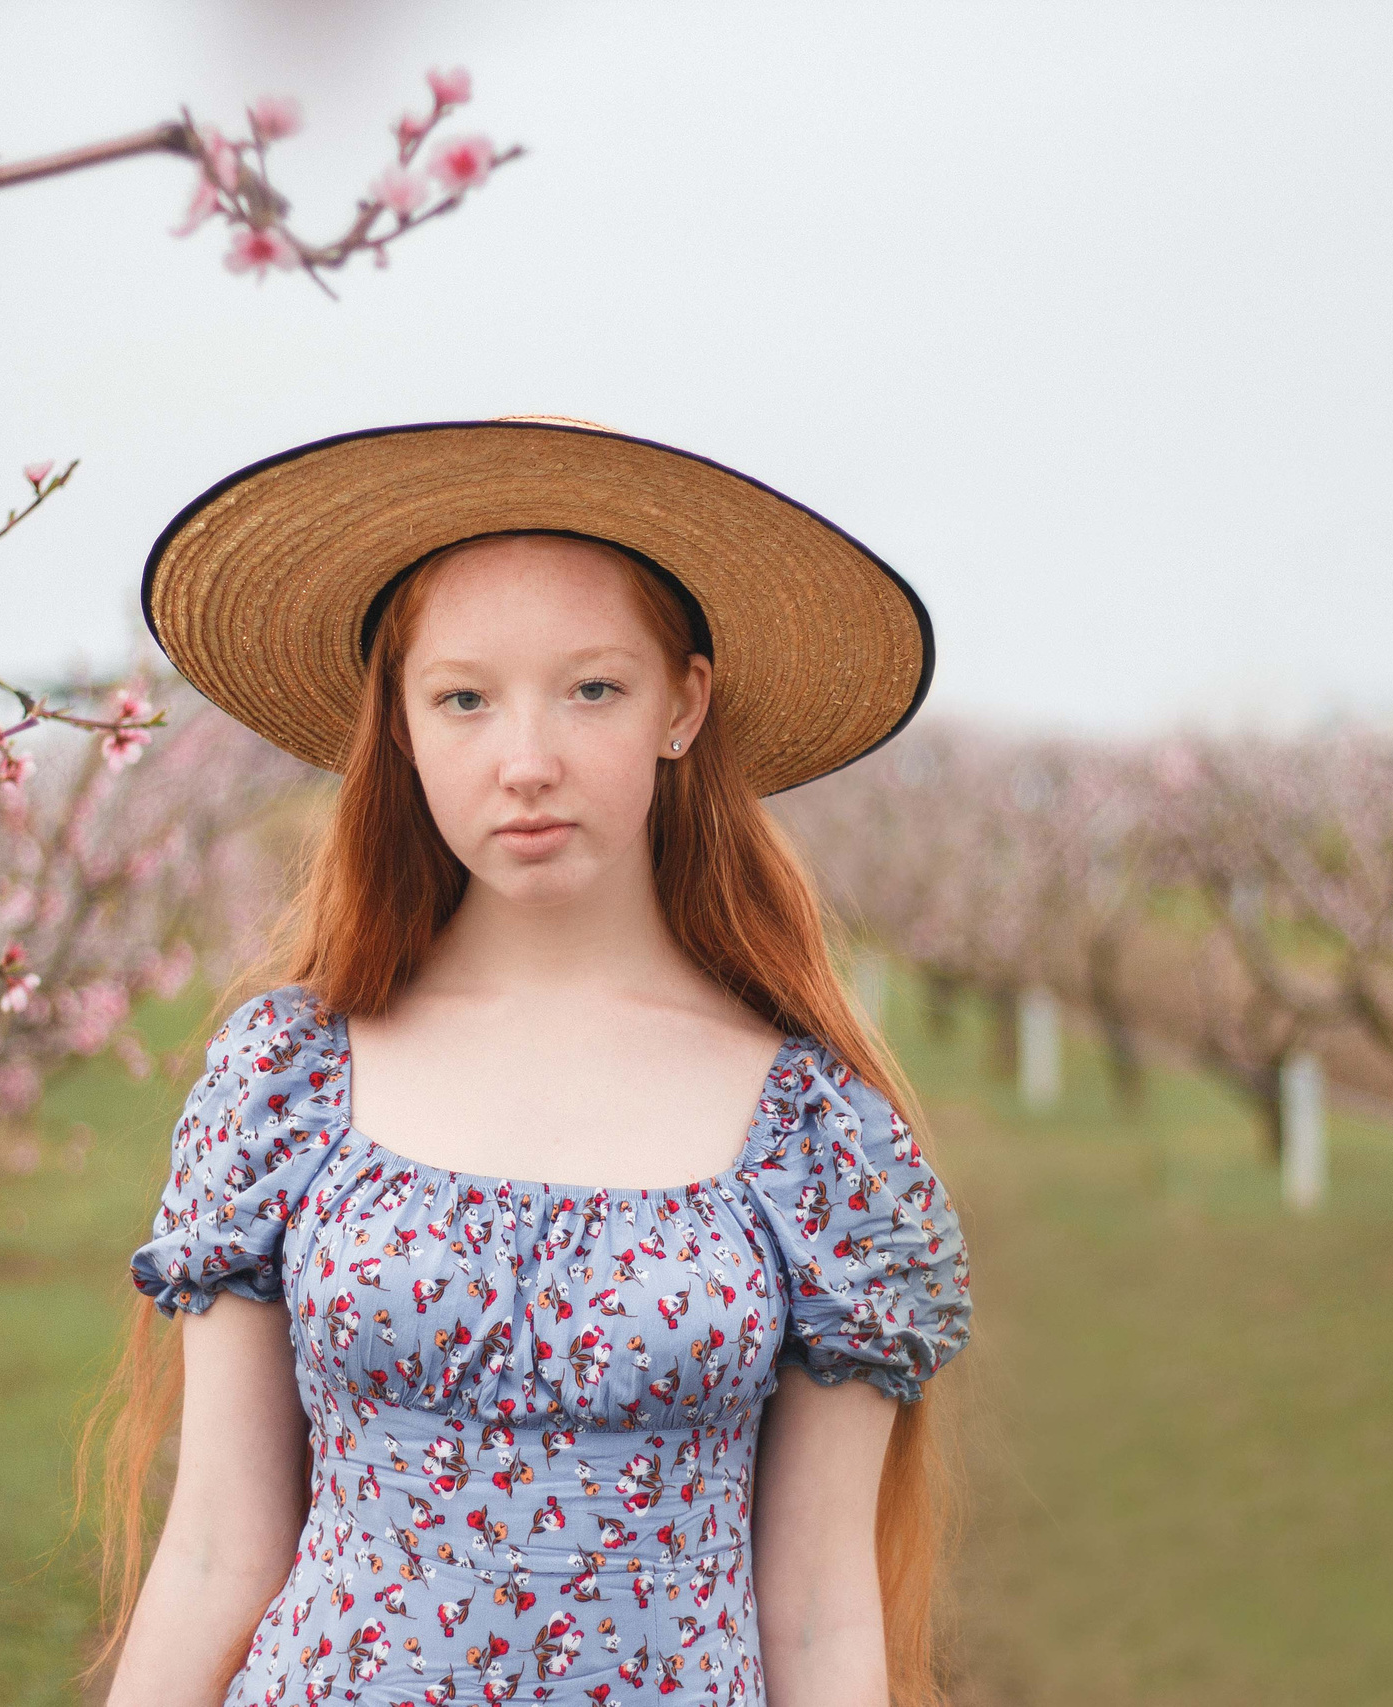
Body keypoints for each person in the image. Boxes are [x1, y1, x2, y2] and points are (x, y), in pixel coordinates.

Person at [82, 419, 973, 1706]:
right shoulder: (285, 1086)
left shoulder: (816, 1137)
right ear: (400, 725)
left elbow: (825, 1621)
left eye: (593, 689)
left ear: (685, 704)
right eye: (463, 698)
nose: (527, 762)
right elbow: (219, 1545)